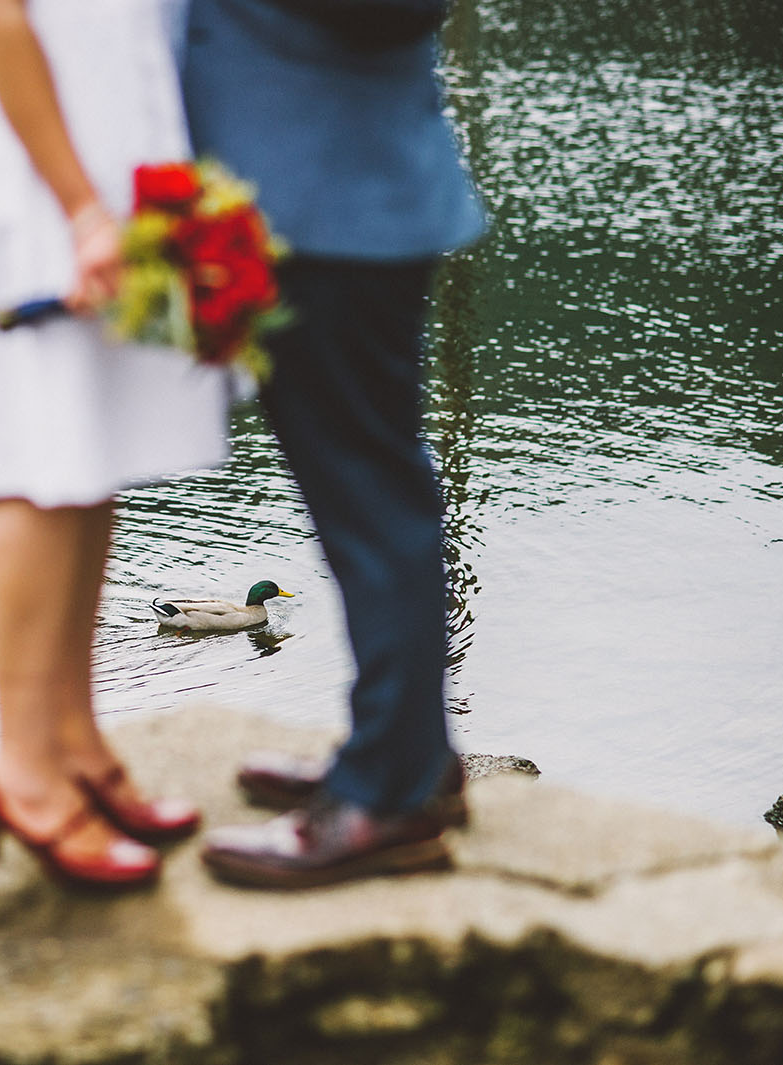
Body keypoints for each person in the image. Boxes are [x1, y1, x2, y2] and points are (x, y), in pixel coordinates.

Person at [0, 0, 234, 888]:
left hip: (104, 167)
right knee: (36, 466)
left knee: (89, 461)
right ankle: (24, 772)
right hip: (17, 171)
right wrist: (81, 206)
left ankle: (74, 740)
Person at [179, 0, 488, 888]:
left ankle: (390, 795)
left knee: (374, 497)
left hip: (334, 199)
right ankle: (407, 758)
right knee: (363, 494)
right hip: (312, 197)